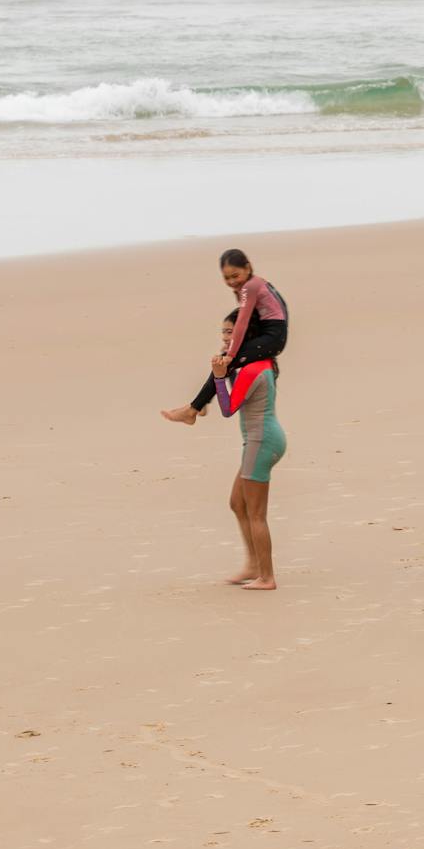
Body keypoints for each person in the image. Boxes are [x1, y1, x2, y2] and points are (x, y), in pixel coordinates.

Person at [162, 248, 289, 425]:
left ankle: (193, 409)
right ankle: (200, 404)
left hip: (273, 337)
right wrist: (234, 346)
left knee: (224, 361)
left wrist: (231, 353)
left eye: (235, 275)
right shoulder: (257, 283)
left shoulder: (249, 287)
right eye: (226, 278)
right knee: (226, 360)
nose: (231, 281)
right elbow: (256, 320)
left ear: (248, 267)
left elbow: (242, 322)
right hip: (272, 335)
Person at [207, 310, 286, 591]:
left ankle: (267, 576)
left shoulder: (253, 369)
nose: (226, 337)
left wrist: (218, 376)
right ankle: (253, 565)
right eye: (224, 332)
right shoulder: (258, 362)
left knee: (255, 513)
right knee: (237, 503)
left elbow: (229, 408)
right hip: (262, 438)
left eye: (231, 332)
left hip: (260, 441)